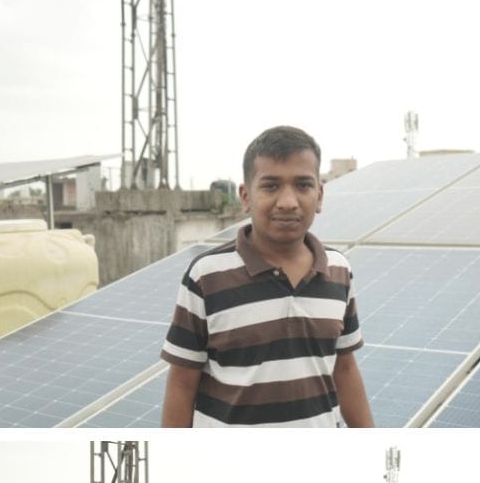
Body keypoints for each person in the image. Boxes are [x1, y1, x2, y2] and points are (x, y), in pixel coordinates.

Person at [160, 125, 374, 427]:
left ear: (320, 195)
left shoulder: (338, 270)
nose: (288, 202)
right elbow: (182, 383)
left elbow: (345, 368)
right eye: (271, 186)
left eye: (303, 185)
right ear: (246, 196)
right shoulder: (206, 276)